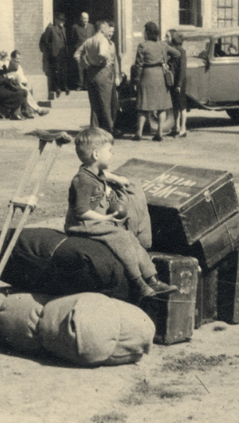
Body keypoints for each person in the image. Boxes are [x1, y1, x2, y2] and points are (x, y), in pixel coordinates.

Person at [64, 127, 176, 301]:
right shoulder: (82, 180)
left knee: (130, 237)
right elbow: (81, 212)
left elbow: (103, 175)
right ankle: (138, 283)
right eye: (109, 151)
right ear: (95, 155)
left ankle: (152, 278)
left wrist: (117, 179)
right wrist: (105, 219)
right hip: (82, 225)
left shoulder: (93, 172)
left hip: (95, 223)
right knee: (121, 237)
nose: (112, 154)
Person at [133, 21, 180, 142]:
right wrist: (166, 62)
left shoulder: (142, 46)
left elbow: (138, 65)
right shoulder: (162, 45)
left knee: (143, 106)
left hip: (146, 76)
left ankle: (139, 133)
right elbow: (177, 53)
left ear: (148, 33)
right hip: (160, 77)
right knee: (161, 107)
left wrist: (136, 79)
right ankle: (159, 133)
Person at [74, 19, 121, 133]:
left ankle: (94, 129)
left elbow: (76, 54)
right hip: (103, 73)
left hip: (91, 74)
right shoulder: (103, 40)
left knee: (94, 104)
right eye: (106, 29)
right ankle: (110, 129)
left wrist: (84, 63)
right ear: (102, 29)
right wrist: (106, 59)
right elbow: (102, 53)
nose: (107, 31)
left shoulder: (88, 41)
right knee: (106, 103)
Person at [0, 54, 30, 120]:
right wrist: (5, 78)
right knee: (19, 93)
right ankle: (14, 113)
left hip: (3, 90)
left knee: (24, 91)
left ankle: (23, 112)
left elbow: (5, 74)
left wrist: (8, 79)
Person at [6, 50, 49, 116]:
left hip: (24, 84)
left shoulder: (19, 66)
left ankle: (30, 110)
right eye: (17, 59)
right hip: (18, 85)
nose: (19, 60)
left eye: (19, 59)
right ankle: (38, 109)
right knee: (26, 92)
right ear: (12, 58)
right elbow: (14, 78)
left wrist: (28, 83)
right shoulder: (11, 65)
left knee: (30, 89)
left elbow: (23, 76)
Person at [40, 12, 70, 97]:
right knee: (56, 71)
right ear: (56, 20)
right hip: (55, 54)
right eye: (61, 20)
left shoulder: (63, 29)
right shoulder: (51, 28)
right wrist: (50, 50)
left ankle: (64, 86)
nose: (62, 22)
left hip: (63, 53)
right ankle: (57, 88)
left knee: (63, 71)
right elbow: (44, 40)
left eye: (63, 21)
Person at [166, 29, 187, 137]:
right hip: (173, 82)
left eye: (167, 36)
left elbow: (182, 69)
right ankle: (176, 128)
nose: (165, 38)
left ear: (173, 37)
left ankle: (183, 129)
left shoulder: (181, 50)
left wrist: (179, 84)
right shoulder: (171, 50)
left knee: (182, 105)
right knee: (175, 106)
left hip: (180, 82)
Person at [71, 12, 94, 90]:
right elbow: (72, 39)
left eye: (87, 18)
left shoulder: (91, 27)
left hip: (88, 51)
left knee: (88, 68)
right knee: (79, 68)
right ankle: (80, 85)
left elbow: (93, 38)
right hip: (79, 51)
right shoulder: (75, 27)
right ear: (80, 18)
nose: (85, 20)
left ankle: (87, 85)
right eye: (84, 18)